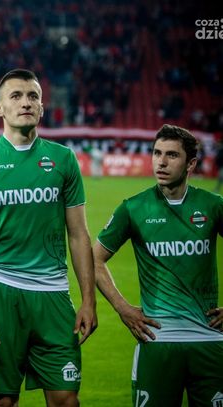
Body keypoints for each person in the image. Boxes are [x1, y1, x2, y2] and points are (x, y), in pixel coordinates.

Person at [0, 68, 97, 407]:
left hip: (53, 294)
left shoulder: (63, 160)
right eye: (16, 96)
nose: (26, 102)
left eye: (33, 96)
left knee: (67, 400)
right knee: (3, 402)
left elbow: (79, 235)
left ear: (42, 107)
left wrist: (89, 301)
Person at [93, 124, 223, 407]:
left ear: (191, 164)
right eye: (156, 153)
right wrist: (122, 308)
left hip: (210, 340)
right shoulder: (133, 208)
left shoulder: (213, 205)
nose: (161, 162)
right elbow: (94, 260)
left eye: (172, 155)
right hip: (157, 339)